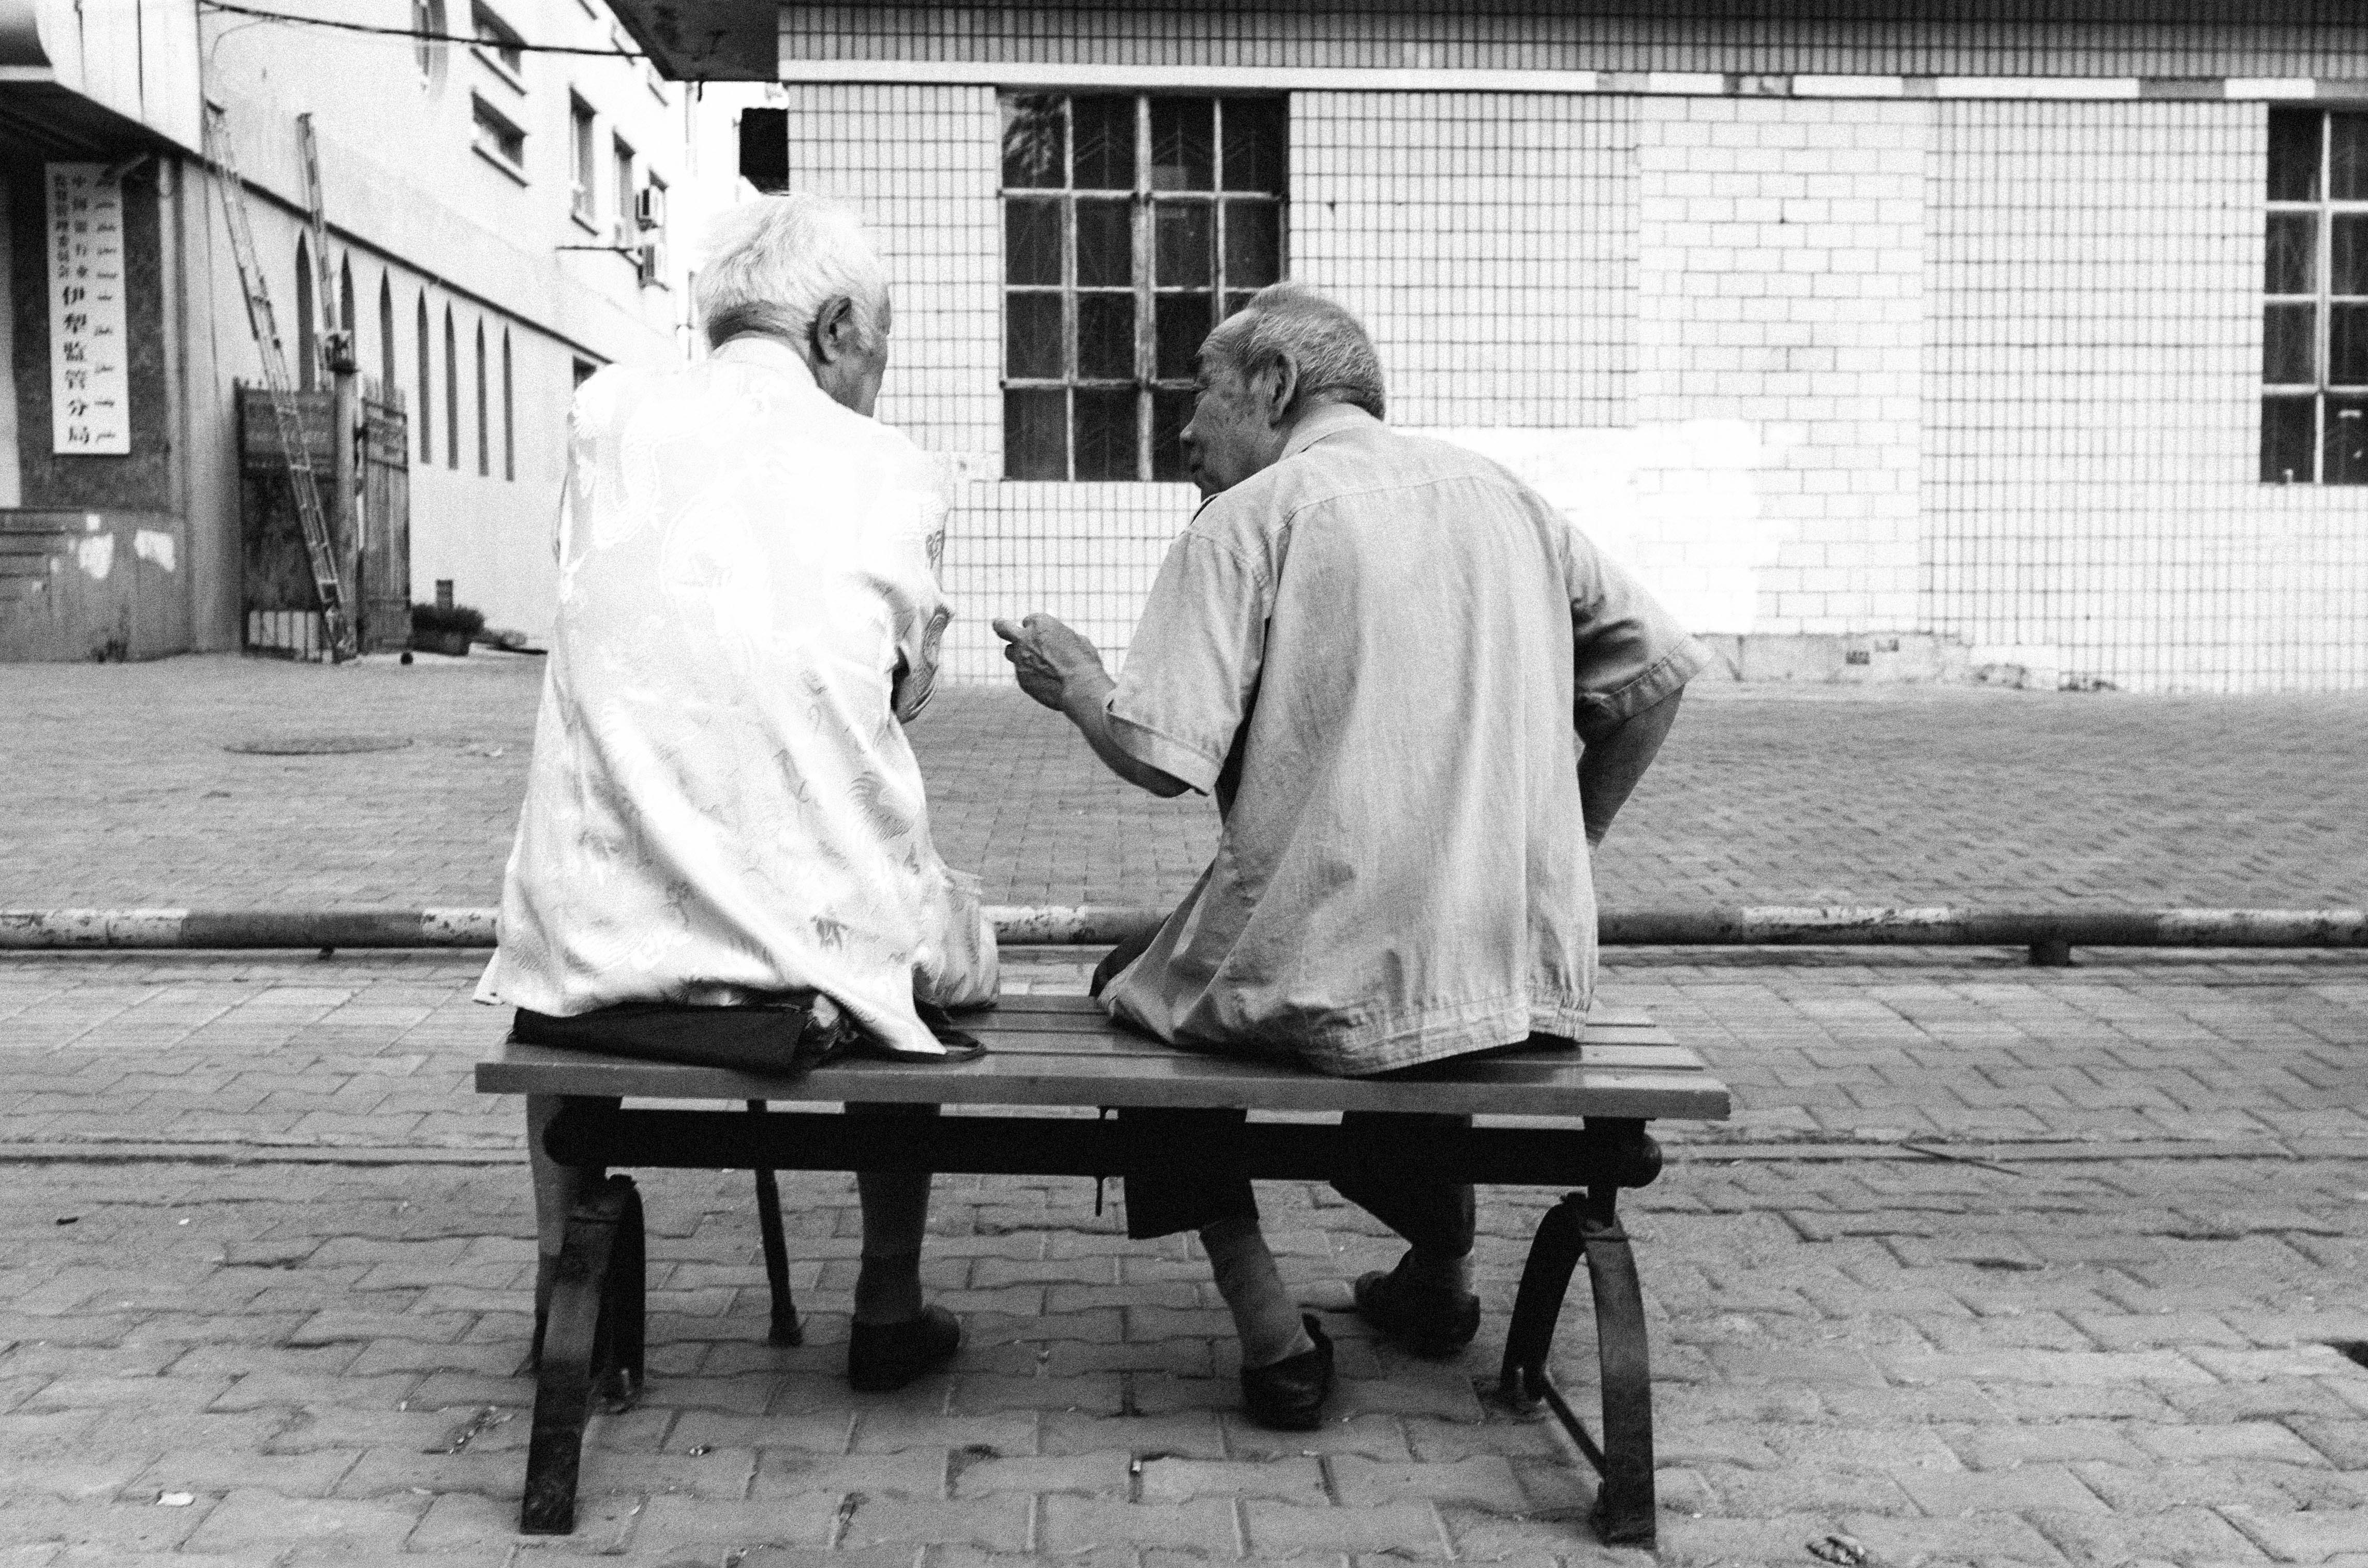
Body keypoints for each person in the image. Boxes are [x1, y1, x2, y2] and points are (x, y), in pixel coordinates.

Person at [994, 282, 1706, 1429]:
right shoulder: (1506, 497)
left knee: (1133, 993)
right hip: (1519, 969)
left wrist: (1079, 686)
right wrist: (1567, 847)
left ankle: (1271, 1334)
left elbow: (1161, 758)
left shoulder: (1251, 516)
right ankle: (1439, 1278)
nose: (1184, 429)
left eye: (1201, 392)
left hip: (1338, 972)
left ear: (1273, 385)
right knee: (1425, 979)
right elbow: (1657, 673)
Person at [477, 193, 996, 1392]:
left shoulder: (603, 415)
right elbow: (901, 694)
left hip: (590, 942)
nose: (871, 384)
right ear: (833, 329)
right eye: (874, 356)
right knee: (932, 934)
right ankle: (886, 1296)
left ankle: (561, 1285)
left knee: (567, 918)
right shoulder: (895, 469)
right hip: (815, 956)